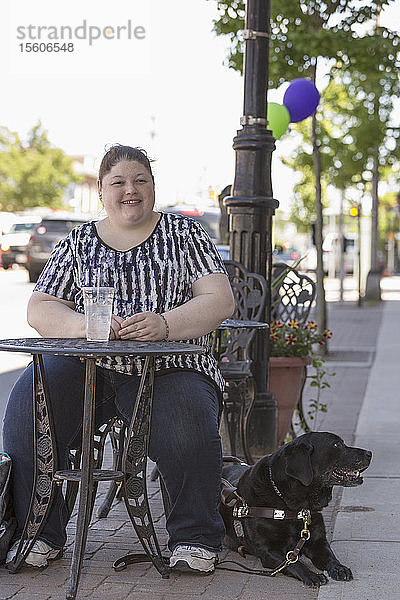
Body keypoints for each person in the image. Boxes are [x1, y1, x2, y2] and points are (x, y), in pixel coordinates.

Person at [3, 145, 235, 574]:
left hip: (168, 365)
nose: (131, 191)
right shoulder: (80, 240)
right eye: (119, 182)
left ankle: (195, 537)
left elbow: (220, 299)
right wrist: (83, 326)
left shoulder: (184, 235)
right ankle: (38, 533)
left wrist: (164, 324)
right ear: (101, 191)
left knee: (188, 418)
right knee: (27, 408)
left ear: (152, 187)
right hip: (87, 364)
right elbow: (39, 307)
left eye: (140, 181)